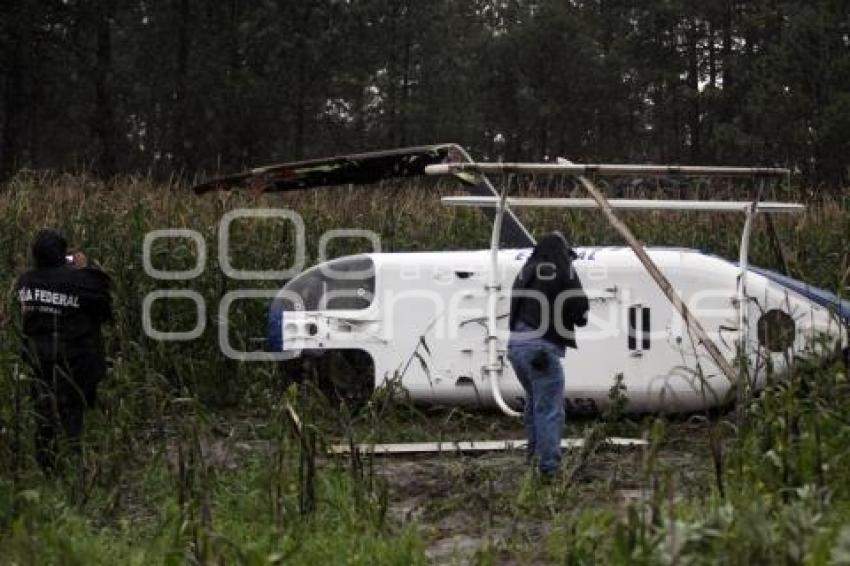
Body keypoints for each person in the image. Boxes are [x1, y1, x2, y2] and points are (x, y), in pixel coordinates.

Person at [15, 229, 112, 472]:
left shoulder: (25, 281)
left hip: (38, 356)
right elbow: (104, 307)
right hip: (74, 357)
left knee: (43, 410)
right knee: (72, 408)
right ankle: (74, 461)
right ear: (62, 254)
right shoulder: (80, 279)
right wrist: (81, 268)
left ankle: (47, 465)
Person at [507, 232, 589, 478]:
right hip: (540, 350)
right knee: (550, 409)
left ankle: (533, 459)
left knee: (534, 406)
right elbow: (580, 312)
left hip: (515, 348)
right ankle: (550, 470)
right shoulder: (562, 269)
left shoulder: (526, 270)